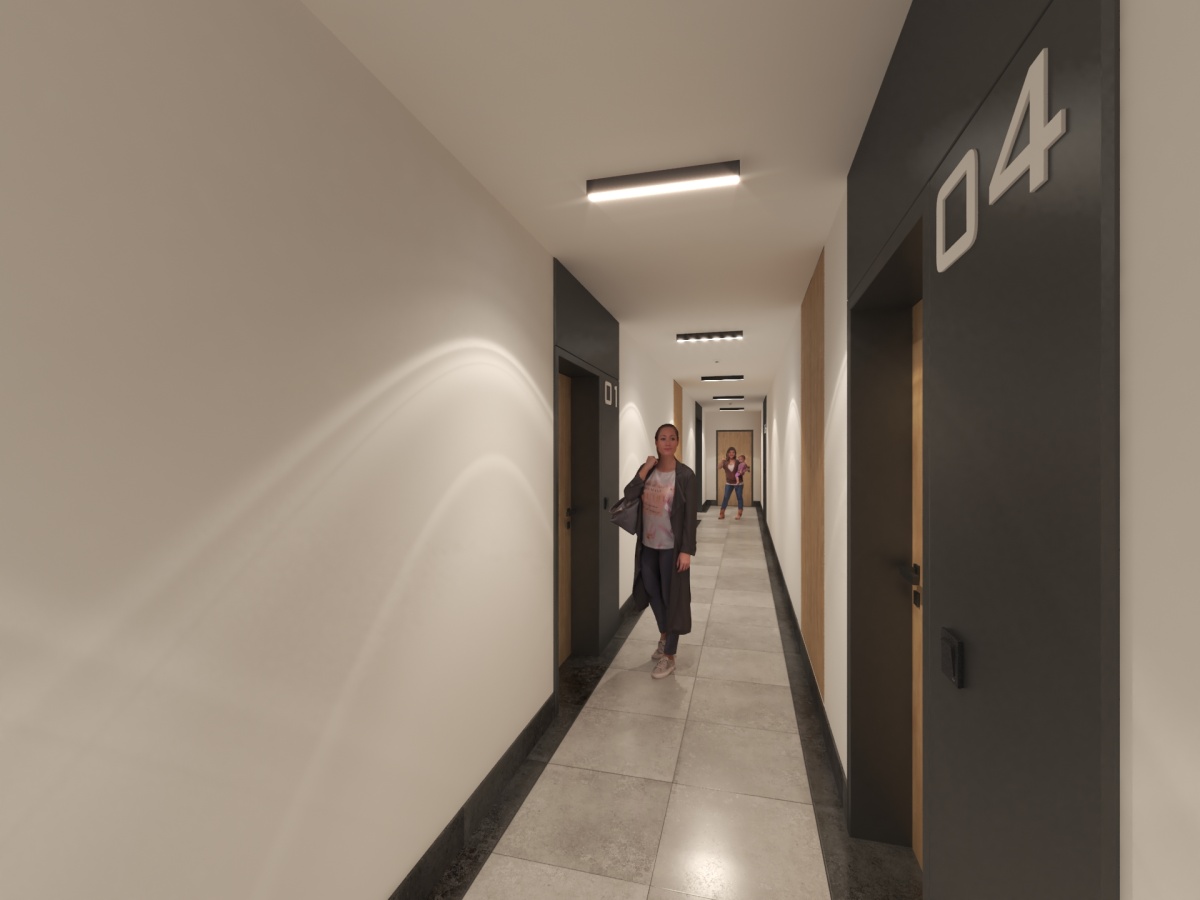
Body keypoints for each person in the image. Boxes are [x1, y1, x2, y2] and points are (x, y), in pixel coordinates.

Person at [622, 423, 699, 678]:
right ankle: (664, 636)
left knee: (672, 598)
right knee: (652, 591)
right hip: (647, 545)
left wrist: (686, 550)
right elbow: (629, 494)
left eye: (672, 438)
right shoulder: (648, 471)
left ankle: (670, 656)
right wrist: (645, 468)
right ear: (656, 442)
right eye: (663, 438)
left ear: (677, 442)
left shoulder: (685, 475)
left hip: (670, 548)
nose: (667, 442)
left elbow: (689, 517)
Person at [719, 446, 746, 520]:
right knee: (726, 497)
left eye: (733, 452)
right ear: (727, 453)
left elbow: (744, 466)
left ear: (735, 453)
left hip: (738, 483)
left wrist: (743, 471)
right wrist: (722, 461)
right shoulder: (725, 462)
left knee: (739, 497)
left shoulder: (738, 461)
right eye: (730, 452)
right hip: (729, 483)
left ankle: (739, 513)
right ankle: (722, 513)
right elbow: (719, 467)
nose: (731, 454)